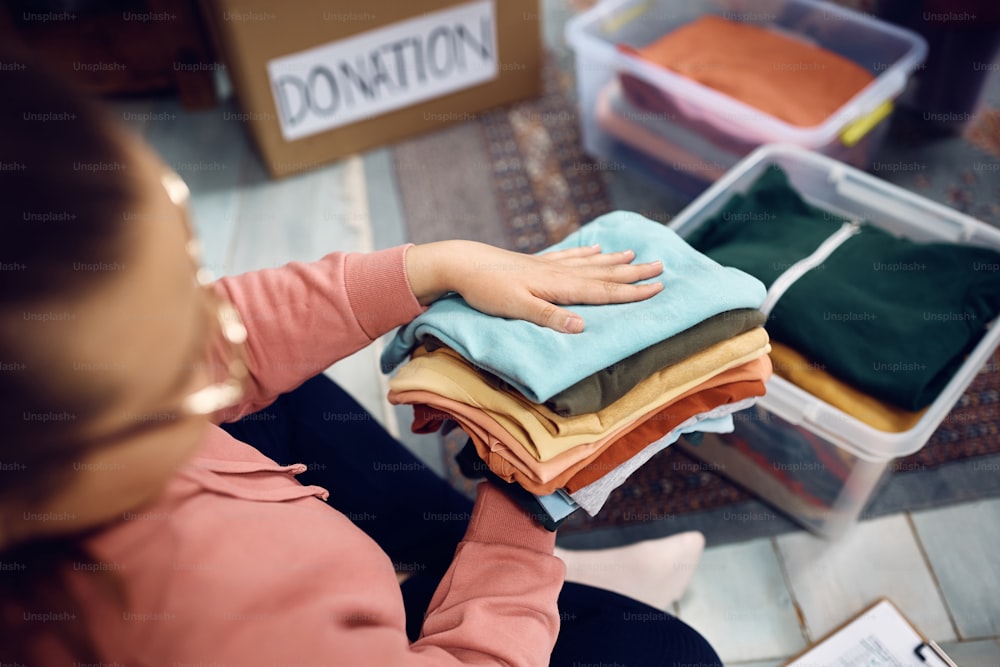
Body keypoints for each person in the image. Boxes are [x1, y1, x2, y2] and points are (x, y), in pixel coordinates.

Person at [0, 44, 723, 666]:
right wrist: (526, 504)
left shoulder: (57, 422)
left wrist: (431, 266)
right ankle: (500, 578)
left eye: (194, 270)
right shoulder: (219, 624)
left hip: (257, 534)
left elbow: (230, 332)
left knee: (282, 389)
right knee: (673, 654)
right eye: (171, 327)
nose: (213, 317)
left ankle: (475, 560)